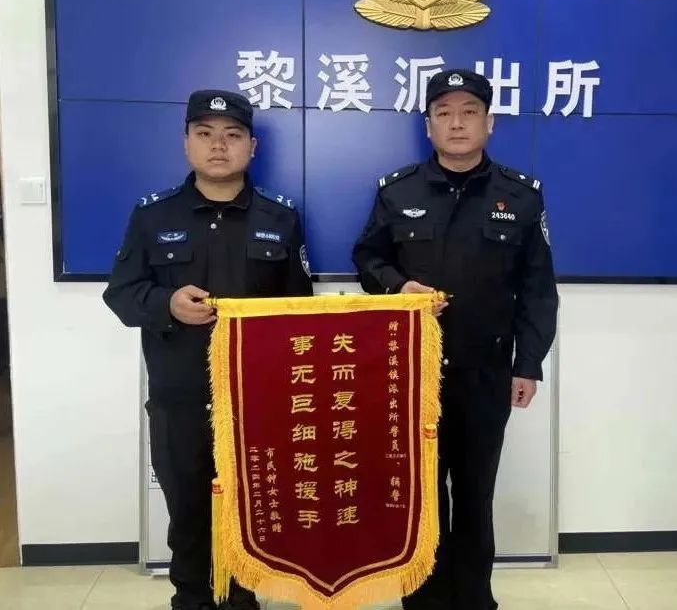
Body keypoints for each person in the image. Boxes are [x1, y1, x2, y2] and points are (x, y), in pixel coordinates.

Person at [352, 69, 559, 610]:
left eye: (469, 112)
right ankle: (423, 600)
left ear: (490, 123)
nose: (457, 123)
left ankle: (473, 599)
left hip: (485, 374)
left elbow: (538, 290)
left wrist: (527, 364)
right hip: (410, 374)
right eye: (444, 113)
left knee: (474, 495)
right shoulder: (397, 191)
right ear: (429, 126)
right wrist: (399, 287)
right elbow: (367, 258)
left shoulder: (521, 196)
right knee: (419, 496)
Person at [103, 90, 313, 610]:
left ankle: (242, 601)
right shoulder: (153, 215)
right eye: (205, 134)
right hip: (180, 398)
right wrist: (167, 304)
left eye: (232, 135)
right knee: (189, 512)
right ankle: (193, 600)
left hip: (255, 402)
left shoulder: (280, 217)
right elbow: (122, 294)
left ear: (252, 146)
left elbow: (299, 310)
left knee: (249, 511)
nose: (219, 146)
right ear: (187, 143)